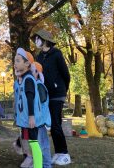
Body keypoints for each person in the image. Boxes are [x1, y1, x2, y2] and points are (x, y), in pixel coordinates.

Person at [31, 29, 71, 166]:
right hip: (45, 95)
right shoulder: (39, 56)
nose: (36, 41)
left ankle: (64, 153)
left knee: (55, 124)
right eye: (35, 39)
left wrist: (62, 90)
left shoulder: (57, 54)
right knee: (49, 124)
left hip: (57, 94)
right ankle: (58, 152)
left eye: (38, 38)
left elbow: (66, 74)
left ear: (45, 40)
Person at [14, 48, 43, 168]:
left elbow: (30, 98)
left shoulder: (29, 79)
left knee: (34, 143)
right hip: (25, 119)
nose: (15, 63)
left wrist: (31, 116)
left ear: (27, 64)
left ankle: (38, 165)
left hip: (30, 119)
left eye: (18, 61)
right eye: (15, 61)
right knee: (30, 142)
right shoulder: (22, 79)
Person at [32, 62, 52, 168]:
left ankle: (46, 165)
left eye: (32, 70)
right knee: (38, 144)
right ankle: (40, 164)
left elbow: (42, 104)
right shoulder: (35, 85)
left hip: (40, 121)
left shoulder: (39, 86)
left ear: (37, 73)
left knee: (42, 145)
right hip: (37, 121)